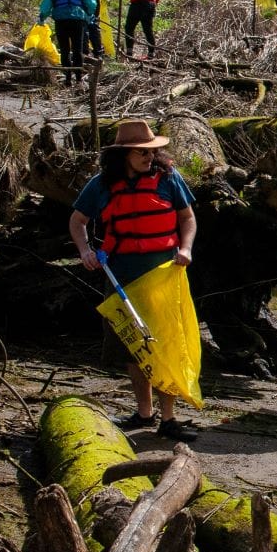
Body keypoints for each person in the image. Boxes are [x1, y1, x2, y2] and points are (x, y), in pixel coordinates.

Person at [68, 119, 198, 441]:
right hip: (121, 276)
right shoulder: (100, 184)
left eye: (152, 152)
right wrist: (85, 250)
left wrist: (186, 248)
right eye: (142, 152)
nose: (149, 157)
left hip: (165, 274)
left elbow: (187, 217)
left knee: (166, 343)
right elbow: (77, 221)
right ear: (124, 154)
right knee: (134, 348)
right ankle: (144, 413)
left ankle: (169, 419)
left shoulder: (168, 179)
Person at [38, 0, 97, 87]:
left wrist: (42, 18)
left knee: (64, 50)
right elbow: (90, 2)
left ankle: (68, 79)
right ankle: (79, 79)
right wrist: (90, 14)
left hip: (61, 21)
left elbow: (45, 6)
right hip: (78, 20)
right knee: (77, 49)